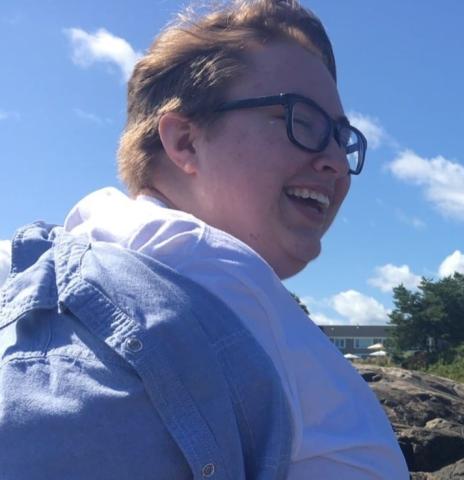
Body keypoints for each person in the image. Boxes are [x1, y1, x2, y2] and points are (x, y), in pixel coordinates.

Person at [0, 0, 409, 478]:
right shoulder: (156, 294)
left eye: (343, 138)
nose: (337, 163)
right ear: (185, 142)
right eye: (303, 120)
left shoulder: (212, 294)